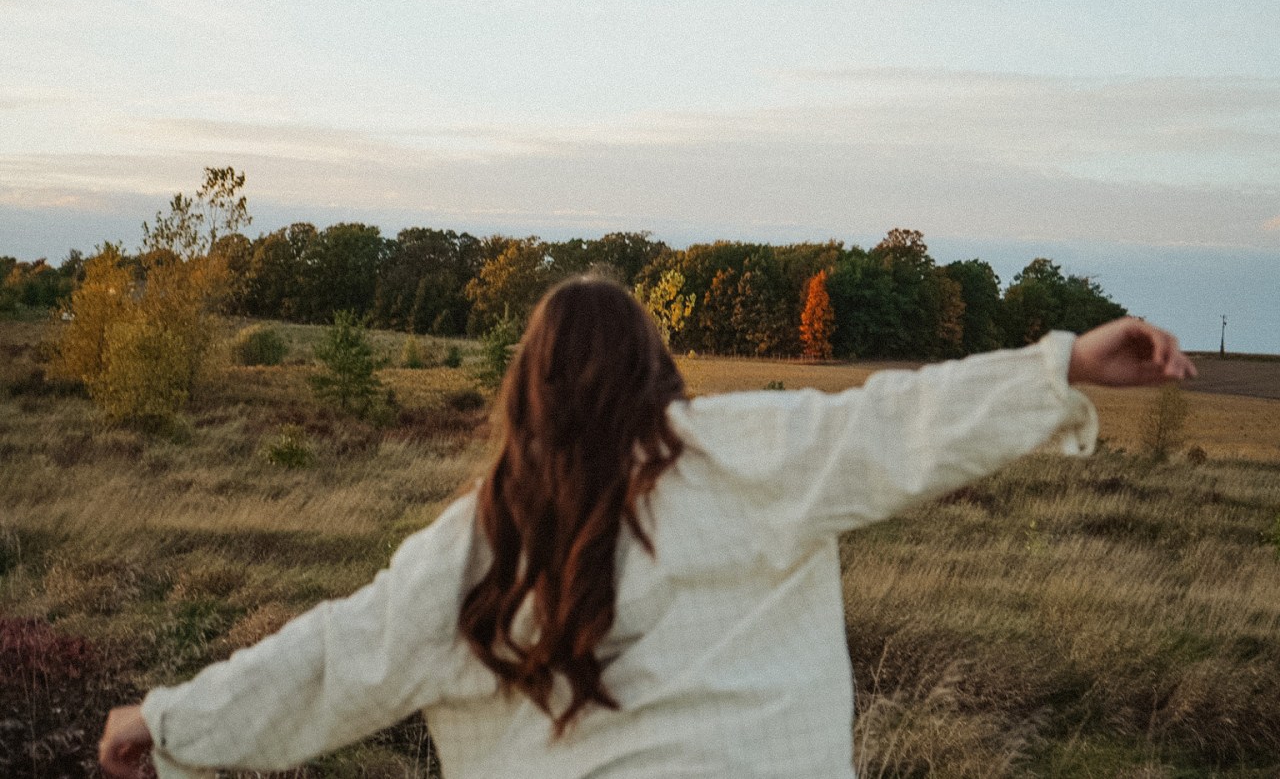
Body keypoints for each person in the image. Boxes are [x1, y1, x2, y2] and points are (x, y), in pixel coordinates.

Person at [100, 276, 1195, 778]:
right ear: (656, 367)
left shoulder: (481, 542)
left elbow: (335, 656)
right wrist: (1061, 362)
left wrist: (168, 718)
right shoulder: (748, 450)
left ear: (525, 389)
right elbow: (896, 422)